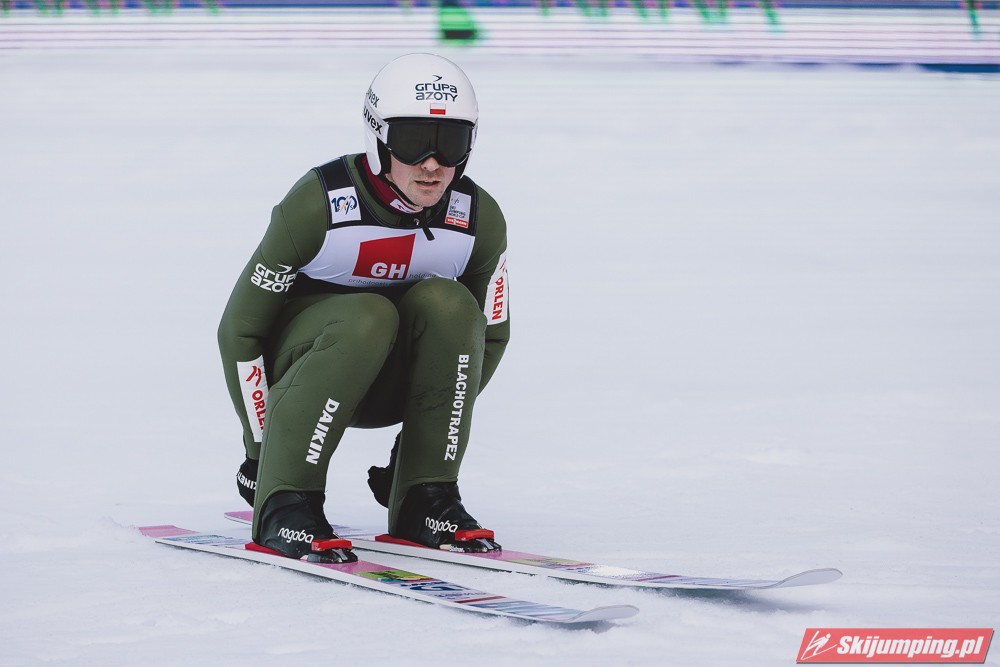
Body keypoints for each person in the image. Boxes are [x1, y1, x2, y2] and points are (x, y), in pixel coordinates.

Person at [217, 53, 510, 563]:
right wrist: (261, 448)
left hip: (388, 384)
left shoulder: (476, 219)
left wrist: (421, 443)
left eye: (451, 143)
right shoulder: (319, 205)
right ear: (378, 139)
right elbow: (240, 332)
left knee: (454, 307)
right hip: (304, 377)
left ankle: (424, 496)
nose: (432, 164)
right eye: (413, 141)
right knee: (368, 315)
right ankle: (288, 500)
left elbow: (488, 337)